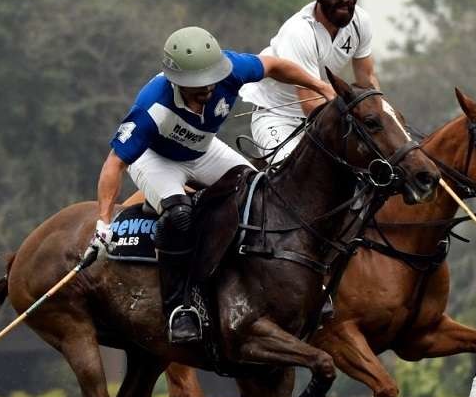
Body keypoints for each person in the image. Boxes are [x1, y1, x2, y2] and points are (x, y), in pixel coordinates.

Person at [93, 26, 335, 343]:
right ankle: (179, 308)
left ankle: (293, 280)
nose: (207, 90)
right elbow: (115, 163)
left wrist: (319, 85)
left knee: (263, 192)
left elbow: (275, 66)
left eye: (210, 80)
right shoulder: (152, 106)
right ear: (175, 80)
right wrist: (103, 222)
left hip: (203, 150)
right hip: (156, 160)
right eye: (197, 85)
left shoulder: (233, 69)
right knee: (179, 217)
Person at [241, 0, 380, 161]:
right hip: (278, 118)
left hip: (324, 114)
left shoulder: (361, 22)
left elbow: (367, 80)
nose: (345, 1)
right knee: (291, 176)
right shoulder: (298, 32)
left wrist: (381, 120)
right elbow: (311, 103)